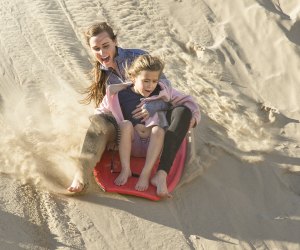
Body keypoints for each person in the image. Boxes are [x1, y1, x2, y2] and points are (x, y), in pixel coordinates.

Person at [67, 22, 201, 197]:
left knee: (183, 111)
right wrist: (107, 130)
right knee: (101, 123)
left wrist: (154, 107)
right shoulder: (106, 79)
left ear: (115, 41)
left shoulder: (137, 58)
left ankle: (161, 173)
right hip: (126, 131)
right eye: (96, 49)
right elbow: (104, 109)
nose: (102, 53)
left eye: (106, 46)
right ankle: (81, 175)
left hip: (154, 127)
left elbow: (165, 91)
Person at [96, 54, 200, 192]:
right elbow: (100, 113)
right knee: (126, 124)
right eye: (145, 81)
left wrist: (193, 119)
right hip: (130, 143)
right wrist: (109, 135)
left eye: (154, 81)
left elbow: (189, 102)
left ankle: (145, 174)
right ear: (133, 77)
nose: (150, 85)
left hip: (153, 145)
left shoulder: (163, 91)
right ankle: (126, 169)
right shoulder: (119, 94)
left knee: (158, 130)